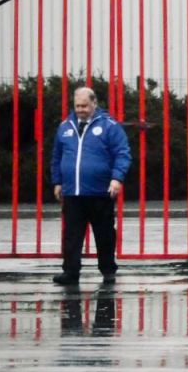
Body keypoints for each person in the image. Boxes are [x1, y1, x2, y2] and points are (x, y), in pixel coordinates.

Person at [50, 86, 131, 285]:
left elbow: (122, 154)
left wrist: (116, 178)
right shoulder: (65, 127)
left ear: (94, 103)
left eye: (84, 106)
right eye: (77, 106)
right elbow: (56, 157)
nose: (81, 110)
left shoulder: (110, 126)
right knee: (72, 235)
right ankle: (70, 272)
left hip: (100, 192)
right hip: (73, 192)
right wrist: (57, 181)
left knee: (104, 234)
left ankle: (108, 270)